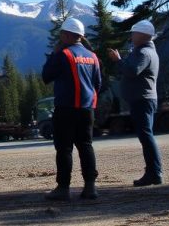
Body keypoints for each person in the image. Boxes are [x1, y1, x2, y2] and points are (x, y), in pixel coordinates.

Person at [42, 17, 102, 201]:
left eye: (61, 34)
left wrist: (54, 54)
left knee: (64, 148)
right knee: (85, 145)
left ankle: (63, 188)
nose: (60, 37)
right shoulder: (93, 57)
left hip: (65, 108)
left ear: (67, 35)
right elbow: (98, 84)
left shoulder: (63, 55)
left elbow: (46, 76)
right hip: (86, 108)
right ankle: (90, 187)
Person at [106, 20, 163, 186]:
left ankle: (154, 173)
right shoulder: (145, 51)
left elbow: (132, 71)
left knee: (146, 136)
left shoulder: (144, 53)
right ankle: (153, 172)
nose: (131, 37)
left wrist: (118, 60)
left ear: (142, 35)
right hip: (144, 98)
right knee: (146, 135)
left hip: (142, 99)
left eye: (133, 33)